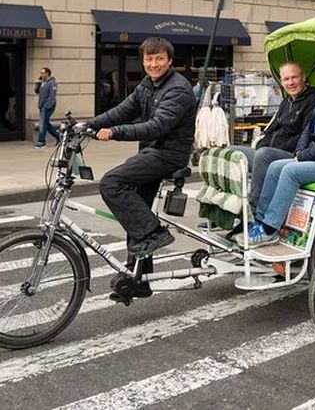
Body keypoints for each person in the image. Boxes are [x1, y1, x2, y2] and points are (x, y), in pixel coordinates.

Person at [86, 37, 197, 301]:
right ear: (143, 60)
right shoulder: (147, 85)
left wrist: (114, 132)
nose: (153, 64)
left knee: (111, 182)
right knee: (136, 213)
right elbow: (122, 110)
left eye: (159, 58)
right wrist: (88, 124)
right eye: (149, 58)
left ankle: (154, 233)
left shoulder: (178, 89)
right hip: (151, 152)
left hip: (169, 154)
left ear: (169, 61)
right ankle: (139, 280)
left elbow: (157, 126)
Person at [237, 59, 315, 246]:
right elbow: (307, 132)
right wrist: (300, 151)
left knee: (290, 171)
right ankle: (260, 222)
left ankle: (270, 228)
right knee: (274, 167)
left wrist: (304, 155)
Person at [227, 62, 315, 212]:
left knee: (263, 154)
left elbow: (305, 135)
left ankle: (253, 210)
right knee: (229, 152)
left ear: (303, 77)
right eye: (286, 79)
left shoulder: (314, 100)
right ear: (281, 81)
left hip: (289, 154)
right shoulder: (286, 101)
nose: (290, 82)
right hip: (268, 152)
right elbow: (271, 130)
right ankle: (229, 206)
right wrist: (262, 145)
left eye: (294, 77)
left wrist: (270, 149)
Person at [33, 67, 59, 149]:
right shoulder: (42, 83)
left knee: (42, 123)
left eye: (43, 73)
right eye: (41, 73)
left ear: (47, 73)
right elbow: (37, 91)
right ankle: (59, 137)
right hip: (42, 105)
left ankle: (41, 142)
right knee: (46, 123)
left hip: (47, 106)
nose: (41, 75)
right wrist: (37, 84)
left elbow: (52, 95)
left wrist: (47, 105)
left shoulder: (52, 83)